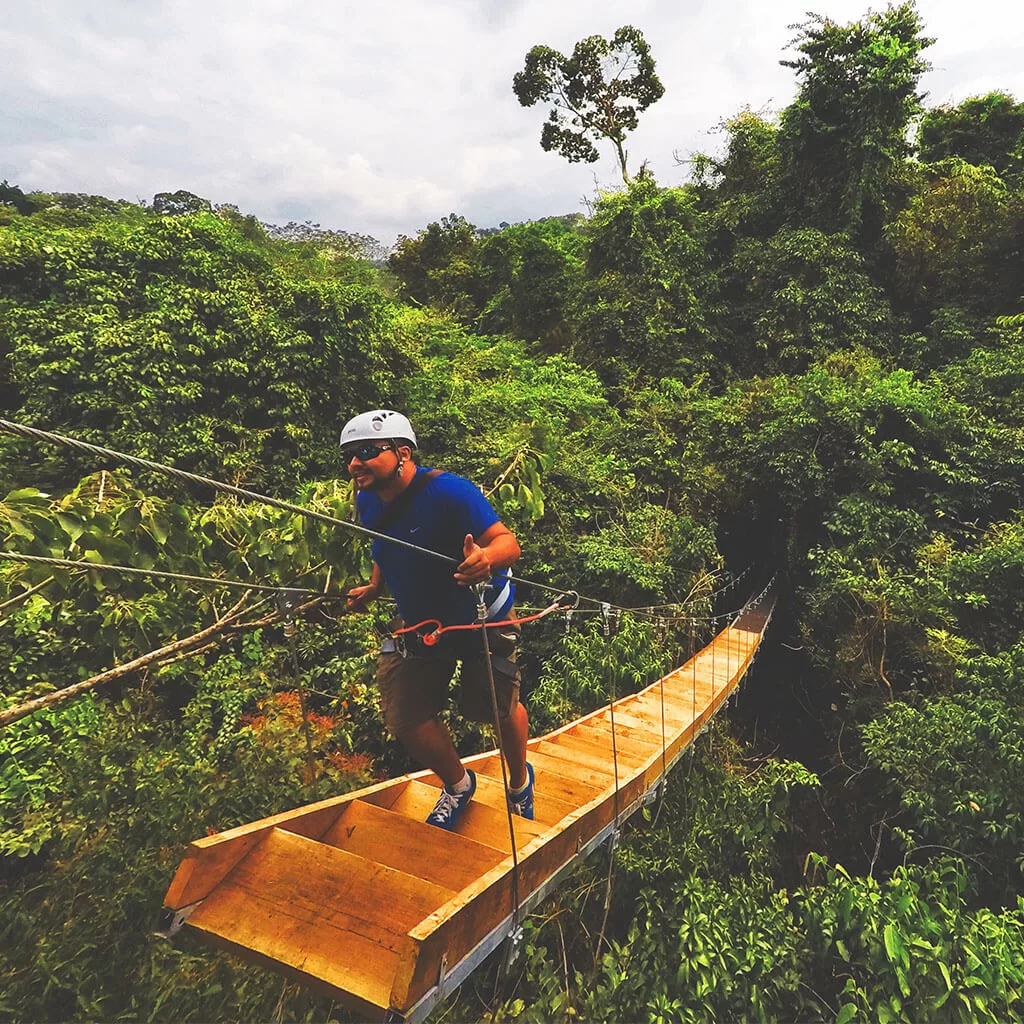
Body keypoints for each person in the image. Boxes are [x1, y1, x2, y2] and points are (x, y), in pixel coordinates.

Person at [342, 409, 535, 830]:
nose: (355, 463)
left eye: (367, 452)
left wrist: (485, 558)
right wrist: (376, 586)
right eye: (350, 455)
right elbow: (384, 544)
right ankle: (459, 784)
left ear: (403, 453)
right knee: (405, 716)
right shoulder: (368, 498)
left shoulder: (450, 492)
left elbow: (508, 542)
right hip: (420, 624)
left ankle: (519, 782)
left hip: (482, 617)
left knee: (497, 709)